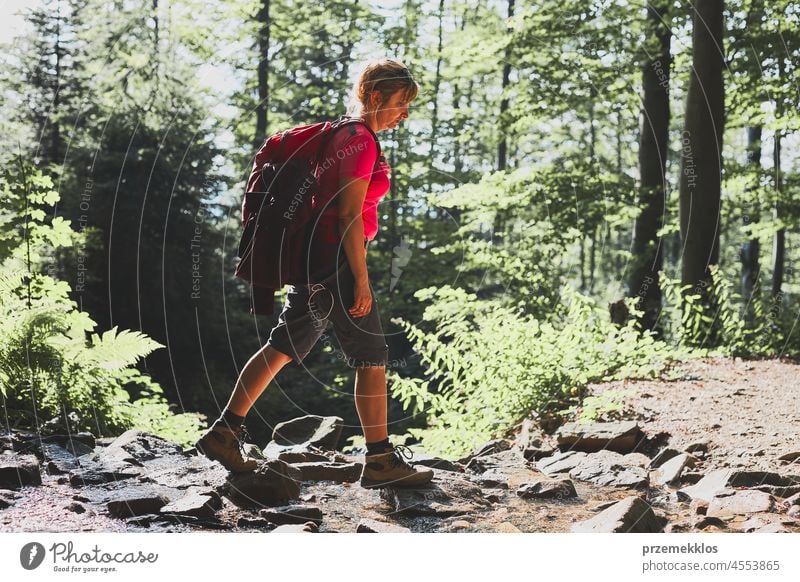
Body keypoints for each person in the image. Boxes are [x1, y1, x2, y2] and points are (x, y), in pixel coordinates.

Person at [195, 58, 433, 489]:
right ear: (375, 97)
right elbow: (347, 216)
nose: (404, 114)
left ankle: (224, 434)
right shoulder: (359, 141)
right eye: (400, 103)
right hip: (335, 261)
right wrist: (359, 279)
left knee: (283, 344)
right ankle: (379, 460)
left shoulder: (341, 133)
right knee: (372, 359)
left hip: (313, 259)